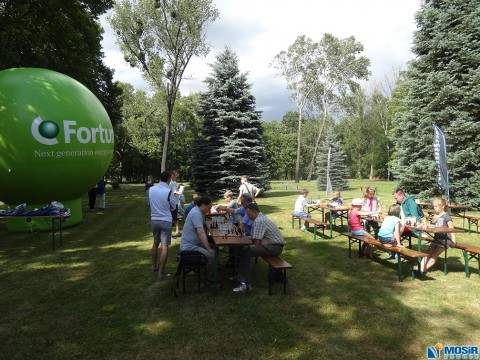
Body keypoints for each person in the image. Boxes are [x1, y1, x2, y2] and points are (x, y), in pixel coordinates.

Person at [232, 202, 284, 293]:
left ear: (255, 212)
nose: (247, 216)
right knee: (238, 247)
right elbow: (255, 239)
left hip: (275, 247)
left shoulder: (259, 220)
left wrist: (257, 240)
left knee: (245, 250)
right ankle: (240, 274)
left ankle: (245, 283)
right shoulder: (260, 217)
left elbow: (256, 242)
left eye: (249, 214)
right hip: (271, 245)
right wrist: (257, 240)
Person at [179, 196, 216, 284]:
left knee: (214, 248)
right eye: (208, 207)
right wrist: (208, 248)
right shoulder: (196, 213)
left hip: (194, 243)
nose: (209, 210)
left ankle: (211, 271)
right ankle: (209, 280)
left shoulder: (197, 211)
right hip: (189, 246)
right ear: (203, 205)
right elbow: (200, 233)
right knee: (212, 256)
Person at [417, 198, 457, 277]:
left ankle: (422, 270)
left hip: (445, 240)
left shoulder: (447, 217)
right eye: (434, 206)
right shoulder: (436, 216)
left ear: (442, 206)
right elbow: (435, 226)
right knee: (428, 252)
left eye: (436, 206)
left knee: (434, 255)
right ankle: (420, 269)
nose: (434, 208)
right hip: (437, 238)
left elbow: (452, 230)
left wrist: (453, 242)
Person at [149, 171, 177, 280]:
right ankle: (161, 273)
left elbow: (150, 202)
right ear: (169, 179)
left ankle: (154, 266)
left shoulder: (151, 189)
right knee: (164, 246)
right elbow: (173, 207)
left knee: (156, 243)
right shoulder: (168, 191)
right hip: (165, 220)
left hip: (154, 219)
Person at [168, 170, 183, 237]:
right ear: (172, 175)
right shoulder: (170, 183)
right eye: (176, 176)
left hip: (176, 202)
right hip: (172, 203)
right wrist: (179, 192)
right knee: (171, 219)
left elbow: (175, 191)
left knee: (175, 218)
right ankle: (169, 234)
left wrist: (178, 192)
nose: (177, 177)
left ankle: (177, 231)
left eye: (178, 176)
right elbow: (172, 192)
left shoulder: (174, 182)